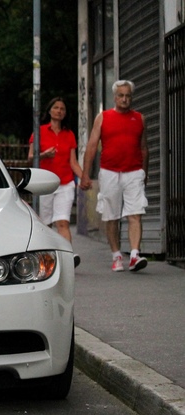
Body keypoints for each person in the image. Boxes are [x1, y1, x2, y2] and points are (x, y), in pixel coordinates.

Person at [79, 80, 149, 272]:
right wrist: (85, 175)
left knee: (135, 214)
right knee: (112, 216)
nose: (125, 99)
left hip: (134, 172)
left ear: (131, 97)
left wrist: (145, 173)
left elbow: (143, 149)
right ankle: (116, 255)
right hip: (110, 172)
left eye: (128, 96)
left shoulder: (140, 119)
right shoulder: (103, 118)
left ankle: (135, 255)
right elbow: (92, 146)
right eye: (121, 96)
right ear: (115, 97)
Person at [29, 97, 83, 268]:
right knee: (46, 223)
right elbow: (31, 158)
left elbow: (73, 162)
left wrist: (84, 177)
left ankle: (68, 256)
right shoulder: (39, 132)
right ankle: (47, 259)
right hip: (45, 184)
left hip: (65, 182)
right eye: (56, 108)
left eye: (63, 109)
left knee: (63, 222)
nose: (59, 111)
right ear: (50, 110)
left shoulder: (69, 134)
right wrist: (44, 155)